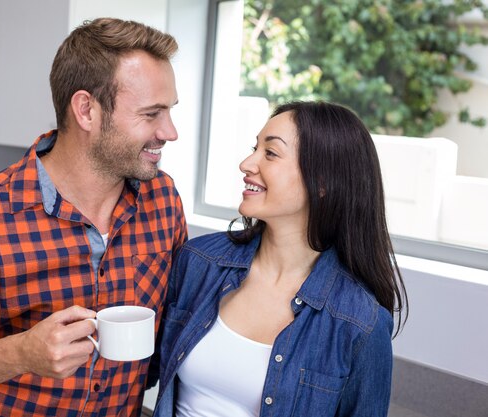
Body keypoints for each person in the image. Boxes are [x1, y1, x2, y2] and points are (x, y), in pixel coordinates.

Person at [0, 18, 187, 417]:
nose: (169, 132)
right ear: (86, 110)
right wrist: (20, 353)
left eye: (168, 111)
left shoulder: (162, 202)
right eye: (151, 114)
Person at [152, 101, 408, 417]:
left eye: (270, 153)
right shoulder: (199, 262)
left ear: (324, 182)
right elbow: (144, 367)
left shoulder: (360, 322)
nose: (247, 163)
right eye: (254, 149)